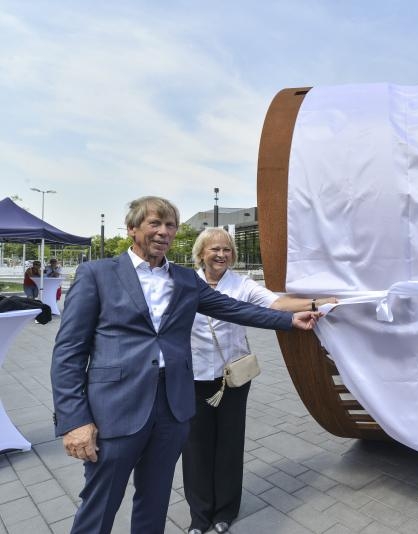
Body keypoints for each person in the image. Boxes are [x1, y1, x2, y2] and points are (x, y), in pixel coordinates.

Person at [50, 196, 320, 534]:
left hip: (172, 409)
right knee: (100, 504)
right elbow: (68, 352)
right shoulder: (96, 274)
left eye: (170, 226)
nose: (164, 232)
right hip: (115, 410)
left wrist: (290, 320)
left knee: (155, 499)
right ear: (132, 228)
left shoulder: (184, 280)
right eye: (155, 224)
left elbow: (233, 309)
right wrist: (75, 420)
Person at [182, 227, 335, 534]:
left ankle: (225, 510)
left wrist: (317, 302)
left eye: (227, 249)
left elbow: (277, 304)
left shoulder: (241, 285)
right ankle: (199, 517)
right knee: (195, 449)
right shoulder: (185, 283)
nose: (221, 254)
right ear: (201, 253)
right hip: (193, 376)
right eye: (215, 249)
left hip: (234, 378)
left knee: (229, 444)